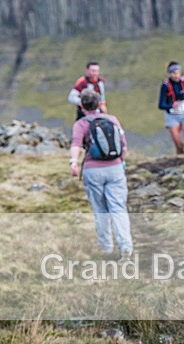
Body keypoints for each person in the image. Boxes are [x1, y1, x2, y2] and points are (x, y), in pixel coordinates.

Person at [70, 89, 133, 261]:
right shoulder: (112, 119)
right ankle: (126, 246)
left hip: (93, 170)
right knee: (118, 207)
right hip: (115, 168)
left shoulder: (81, 124)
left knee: (100, 210)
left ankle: (106, 248)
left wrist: (73, 162)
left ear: (82, 106)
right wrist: (122, 162)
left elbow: (76, 143)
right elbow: (124, 146)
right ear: (99, 104)